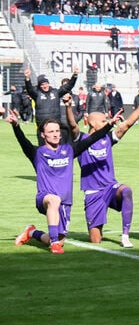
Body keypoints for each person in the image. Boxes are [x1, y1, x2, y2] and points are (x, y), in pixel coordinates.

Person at [10, 109, 115, 254]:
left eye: (57, 131)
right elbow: (23, 141)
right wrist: (16, 126)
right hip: (45, 197)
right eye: (51, 131)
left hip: (65, 202)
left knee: (60, 240)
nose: (55, 134)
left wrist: (110, 125)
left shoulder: (69, 150)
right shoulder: (37, 153)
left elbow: (92, 138)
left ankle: (32, 232)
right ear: (43, 135)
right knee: (54, 201)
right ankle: (54, 244)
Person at [63, 92, 139, 247]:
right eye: (103, 120)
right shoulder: (81, 140)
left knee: (126, 190)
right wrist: (68, 107)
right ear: (92, 124)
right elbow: (72, 126)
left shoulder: (107, 138)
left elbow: (127, 124)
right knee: (96, 240)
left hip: (110, 187)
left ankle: (125, 236)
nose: (107, 122)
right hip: (93, 192)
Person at [22, 67, 77, 139]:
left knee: (57, 145)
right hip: (42, 125)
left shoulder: (56, 92)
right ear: (40, 86)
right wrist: (27, 79)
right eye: (42, 85)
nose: (45, 86)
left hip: (55, 125)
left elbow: (68, 87)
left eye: (46, 84)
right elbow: (30, 89)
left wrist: (75, 75)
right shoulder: (37, 94)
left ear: (48, 84)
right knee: (43, 147)